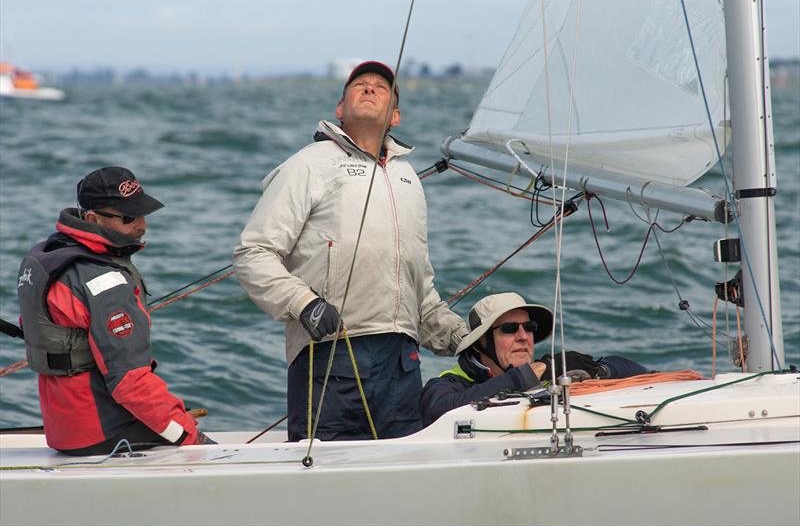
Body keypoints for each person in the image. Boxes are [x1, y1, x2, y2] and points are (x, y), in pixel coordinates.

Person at [234, 61, 468, 441]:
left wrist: (463, 338)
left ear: (395, 115)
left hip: (402, 365)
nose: (370, 88)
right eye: (359, 84)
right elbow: (253, 254)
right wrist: (304, 304)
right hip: (329, 357)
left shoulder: (408, 178)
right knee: (323, 485)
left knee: (399, 480)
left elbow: (418, 286)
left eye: (381, 86)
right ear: (340, 108)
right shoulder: (307, 165)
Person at [17, 166, 214, 455]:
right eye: (128, 217)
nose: (142, 225)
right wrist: (188, 434)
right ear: (94, 219)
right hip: (104, 431)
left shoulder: (48, 255)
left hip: (62, 429)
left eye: (142, 213)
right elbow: (129, 383)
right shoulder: (104, 281)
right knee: (201, 446)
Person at [420, 292, 649, 426]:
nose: (523, 336)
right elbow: (437, 410)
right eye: (509, 329)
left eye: (529, 327)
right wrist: (532, 373)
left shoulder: (552, 373)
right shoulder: (450, 384)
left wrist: (597, 370)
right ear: (482, 342)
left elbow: (642, 373)